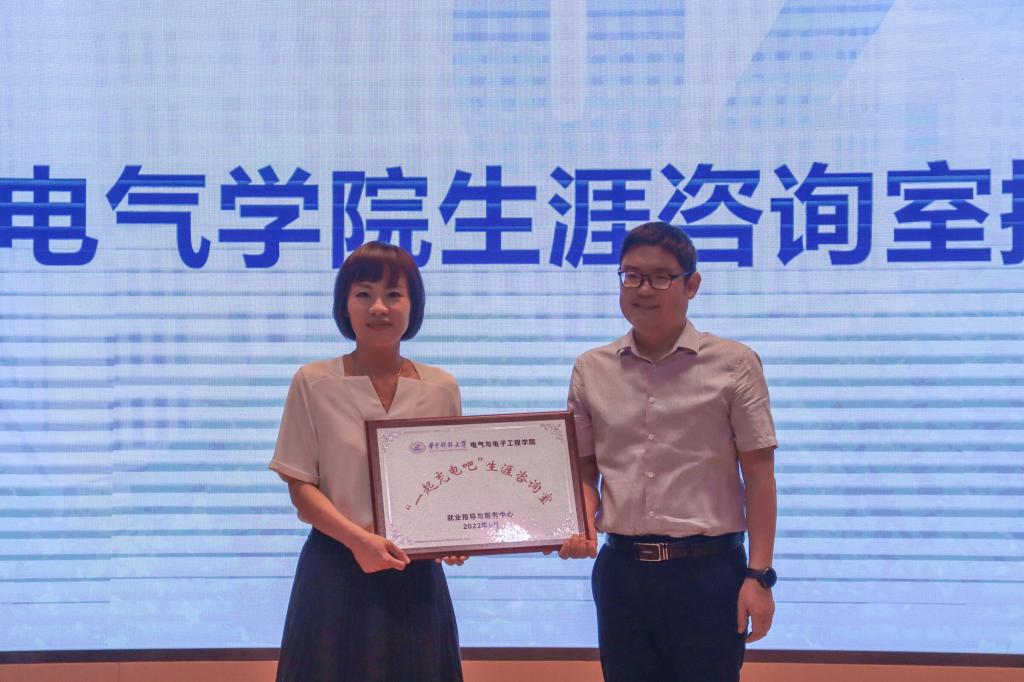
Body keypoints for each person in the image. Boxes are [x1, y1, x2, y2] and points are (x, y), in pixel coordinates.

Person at [558, 221, 778, 682]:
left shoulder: (734, 364)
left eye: (661, 277)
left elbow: (759, 474)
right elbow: (582, 469)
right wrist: (578, 521)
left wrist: (759, 575)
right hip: (622, 574)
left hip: (710, 573)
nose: (644, 289)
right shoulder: (590, 369)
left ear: (691, 284)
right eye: (632, 275)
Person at [269, 242, 465, 682]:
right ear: (345, 305)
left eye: (394, 294)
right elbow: (301, 489)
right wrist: (359, 541)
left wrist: (456, 537)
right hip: (335, 568)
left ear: (413, 305)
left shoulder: (441, 387)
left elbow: (452, 483)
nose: (379, 307)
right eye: (363, 294)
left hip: (415, 571)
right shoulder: (313, 382)